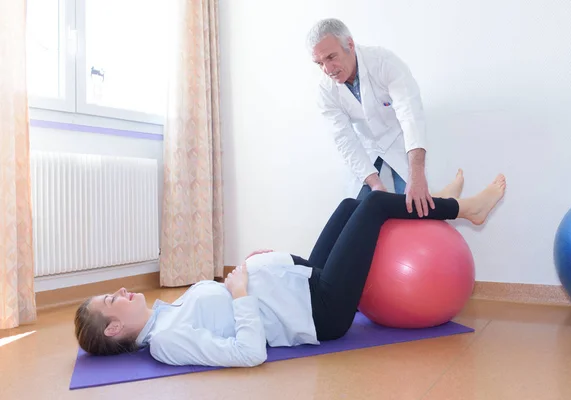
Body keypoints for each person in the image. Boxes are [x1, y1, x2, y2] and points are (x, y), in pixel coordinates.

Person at [74, 172, 506, 368]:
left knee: (351, 203)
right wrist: (241, 292)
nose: (124, 290)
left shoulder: (169, 314)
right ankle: (464, 210)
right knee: (373, 206)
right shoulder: (167, 341)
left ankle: (432, 213)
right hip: (321, 310)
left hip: (303, 280)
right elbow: (248, 353)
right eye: (114, 300)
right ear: (113, 329)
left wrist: (252, 270)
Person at [307, 18, 433, 217]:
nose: (327, 69)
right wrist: (375, 185)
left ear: (349, 44)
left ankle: (465, 206)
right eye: (320, 63)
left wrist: (416, 174)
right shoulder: (325, 90)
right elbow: (344, 140)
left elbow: (410, 115)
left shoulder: (384, 62)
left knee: (417, 208)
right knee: (360, 213)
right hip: (367, 147)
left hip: (399, 141)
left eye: (331, 57)